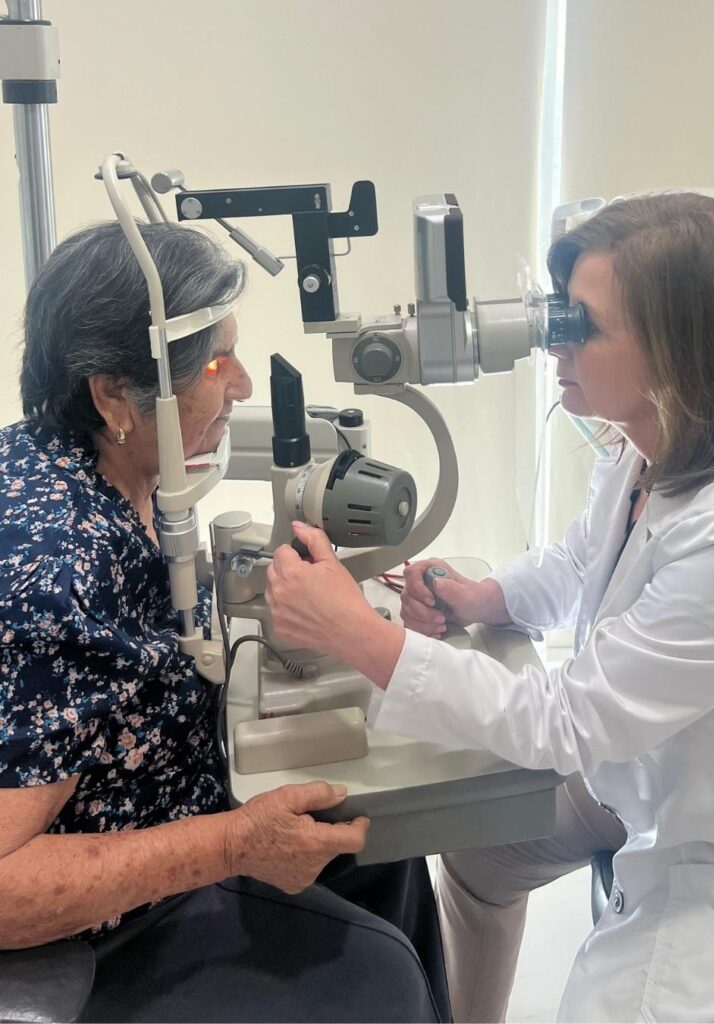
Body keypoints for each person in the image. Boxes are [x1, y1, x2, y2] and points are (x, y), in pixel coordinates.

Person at [265, 192, 714, 1023]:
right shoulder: (645, 448)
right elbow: (576, 563)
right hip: (643, 765)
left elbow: (566, 721)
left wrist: (356, 636)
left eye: (581, 324)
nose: (553, 343)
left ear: (681, 343)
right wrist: (487, 596)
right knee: (480, 859)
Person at [0, 221, 451, 1024]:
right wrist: (233, 844)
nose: (241, 384)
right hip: (99, 927)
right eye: (214, 363)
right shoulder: (57, 565)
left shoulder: (98, 465)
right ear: (113, 396)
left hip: (172, 800)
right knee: (378, 973)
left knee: (388, 849)